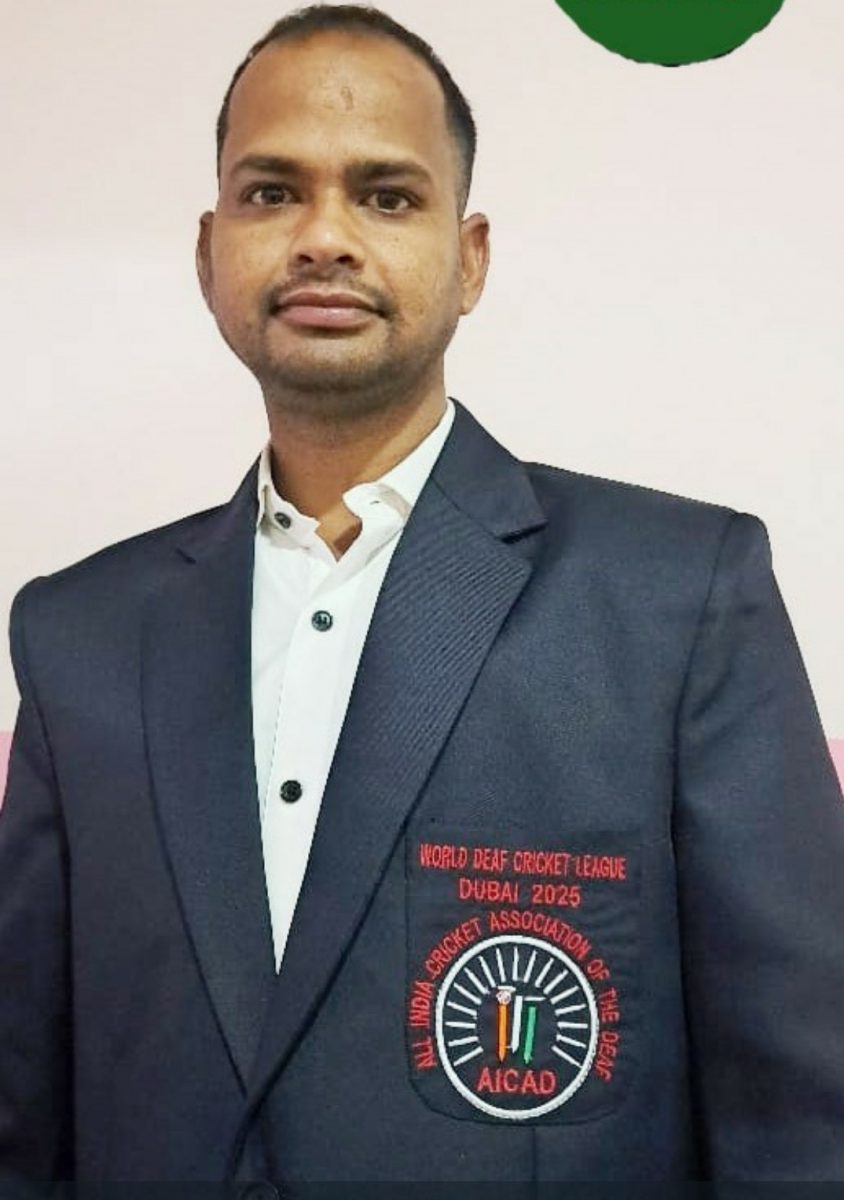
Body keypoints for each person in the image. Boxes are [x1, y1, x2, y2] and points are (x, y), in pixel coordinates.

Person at [1, 3, 843, 1188]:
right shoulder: (78, 635)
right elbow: (23, 1120)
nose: (323, 238)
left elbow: (801, 1126)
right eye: (271, 193)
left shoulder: (680, 598)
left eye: (386, 196)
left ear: (470, 257)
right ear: (208, 252)